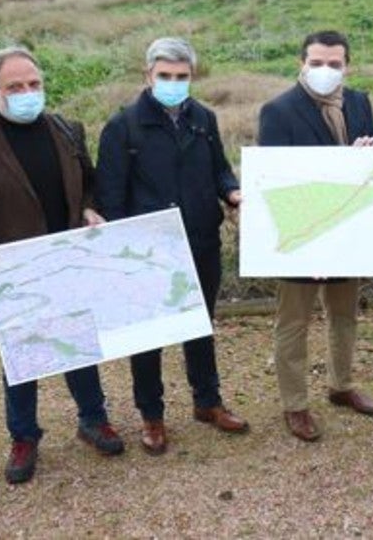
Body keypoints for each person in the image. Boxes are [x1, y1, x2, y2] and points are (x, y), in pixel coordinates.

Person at [0, 46, 125, 485]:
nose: (27, 93)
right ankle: (24, 436)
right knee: (20, 360)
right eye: (15, 87)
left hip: (66, 262)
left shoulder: (67, 131)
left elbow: (89, 186)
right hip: (14, 271)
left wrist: (88, 208)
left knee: (79, 344)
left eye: (34, 85)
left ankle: (92, 419)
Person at [95, 38, 249, 455]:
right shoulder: (123, 126)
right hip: (149, 250)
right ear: (148, 76)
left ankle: (208, 401)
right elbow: (110, 196)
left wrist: (233, 193)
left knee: (200, 325)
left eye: (182, 77)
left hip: (200, 239)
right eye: (165, 76)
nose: (173, 83)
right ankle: (152, 415)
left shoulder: (204, 119)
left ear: (192, 77)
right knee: (149, 336)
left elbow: (220, 171)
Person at [257, 30, 373, 441]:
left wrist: (371, 151)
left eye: (334, 64)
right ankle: (295, 405)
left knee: (344, 314)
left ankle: (341, 385)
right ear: (301, 63)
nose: (325, 71)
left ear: (347, 66)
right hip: (303, 235)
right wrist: (306, 247)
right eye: (316, 63)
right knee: (293, 322)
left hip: (348, 231)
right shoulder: (278, 110)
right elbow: (277, 183)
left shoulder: (359, 102)